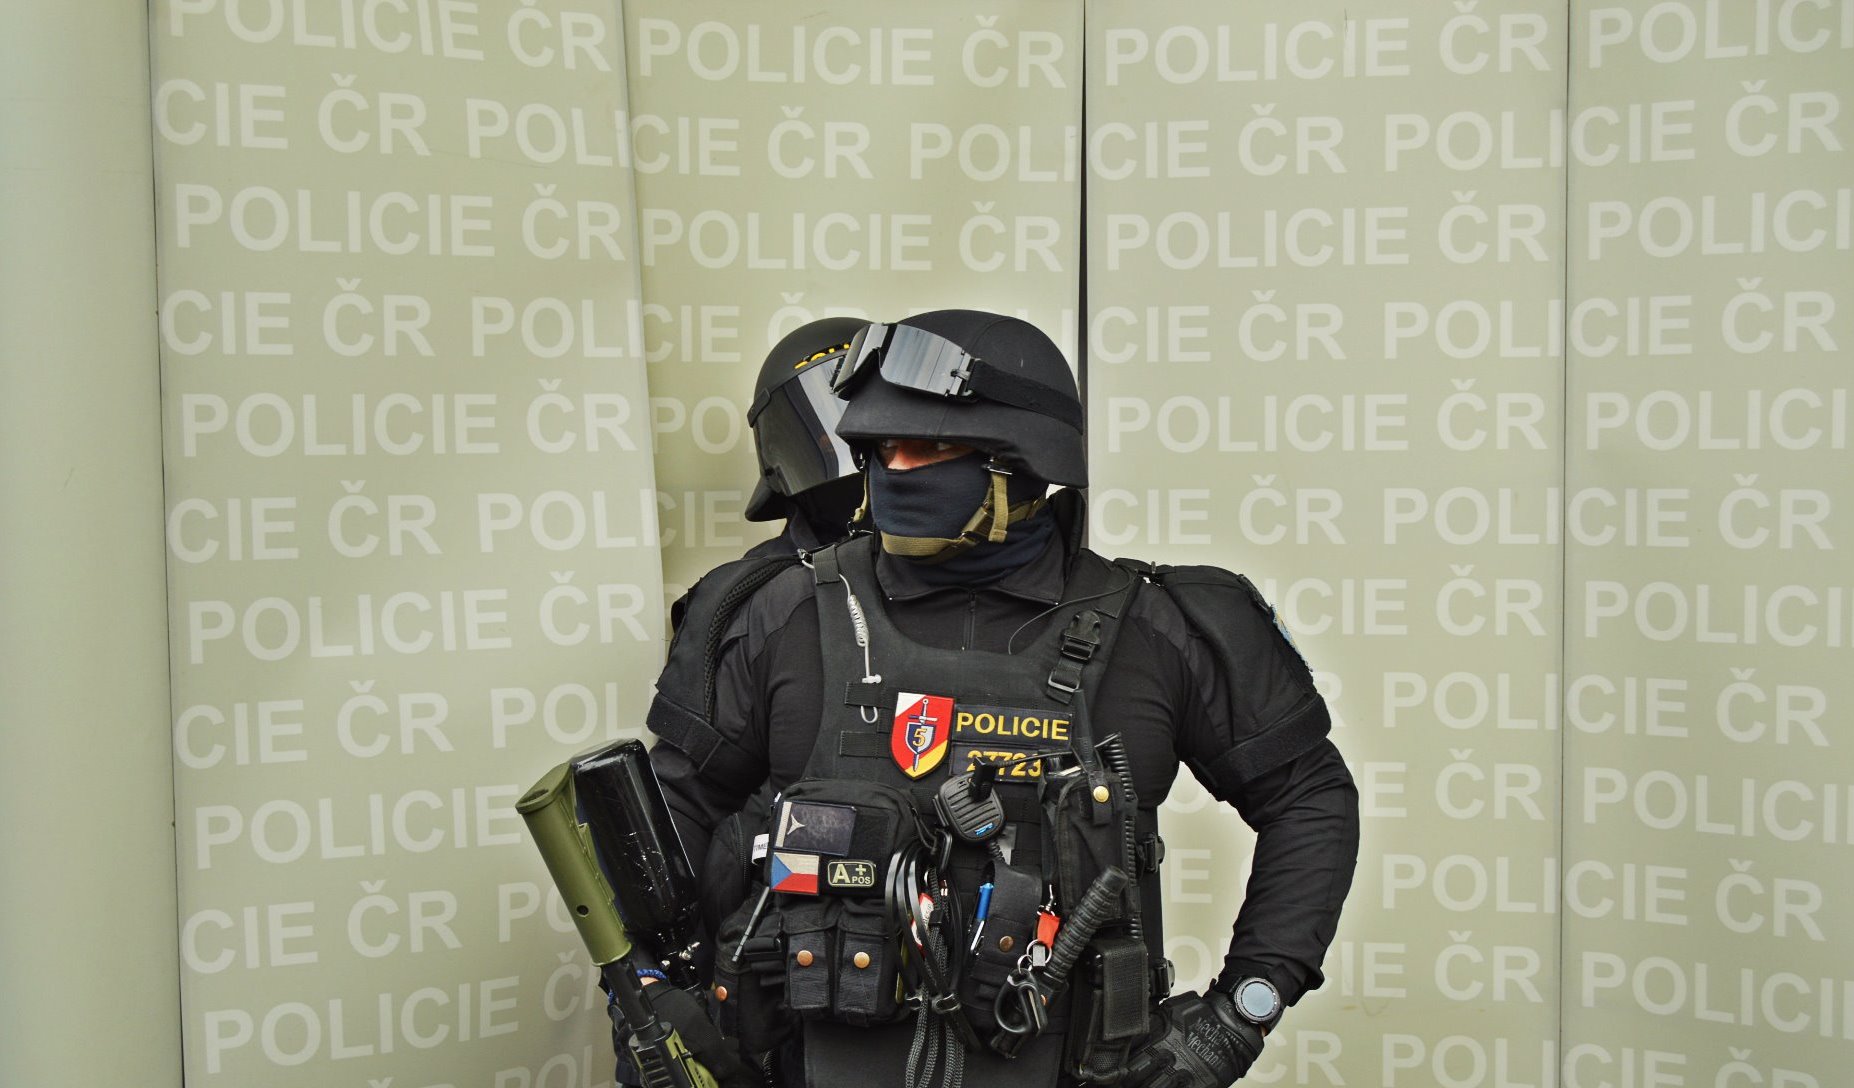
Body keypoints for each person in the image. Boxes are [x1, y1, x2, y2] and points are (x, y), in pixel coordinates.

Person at [645, 310, 1359, 1088]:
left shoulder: (1159, 629)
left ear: (1019, 461)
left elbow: (1310, 799)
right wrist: (651, 992)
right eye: (881, 448)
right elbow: (668, 815)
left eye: (928, 449)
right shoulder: (776, 614)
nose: (896, 470)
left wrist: (1241, 1011)